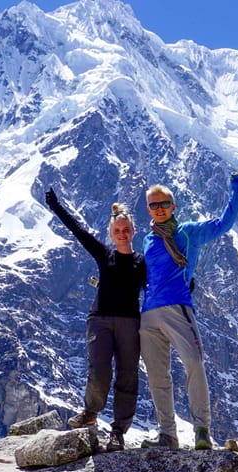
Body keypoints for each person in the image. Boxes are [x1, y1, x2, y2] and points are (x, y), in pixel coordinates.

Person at [139, 171, 238, 450]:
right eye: (153, 205)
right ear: (148, 209)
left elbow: (225, 223)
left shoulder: (190, 232)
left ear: (173, 206)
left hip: (178, 307)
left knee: (194, 364)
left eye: (164, 204)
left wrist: (237, 187)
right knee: (157, 375)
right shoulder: (148, 240)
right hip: (148, 313)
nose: (159, 209)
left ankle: (202, 430)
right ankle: (167, 434)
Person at [45, 187, 146, 452]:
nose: (122, 234)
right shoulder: (105, 254)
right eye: (117, 231)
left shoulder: (141, 262)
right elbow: (78, 231)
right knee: (99, 370)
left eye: (126, 230)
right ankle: (90, 412)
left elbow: (159, 285)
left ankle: (118, 432)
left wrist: (186, 283)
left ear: (133, 232)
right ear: (112, 234)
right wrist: (56, 207)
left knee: (128, 375)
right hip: (100, 320)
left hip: (130, 324)